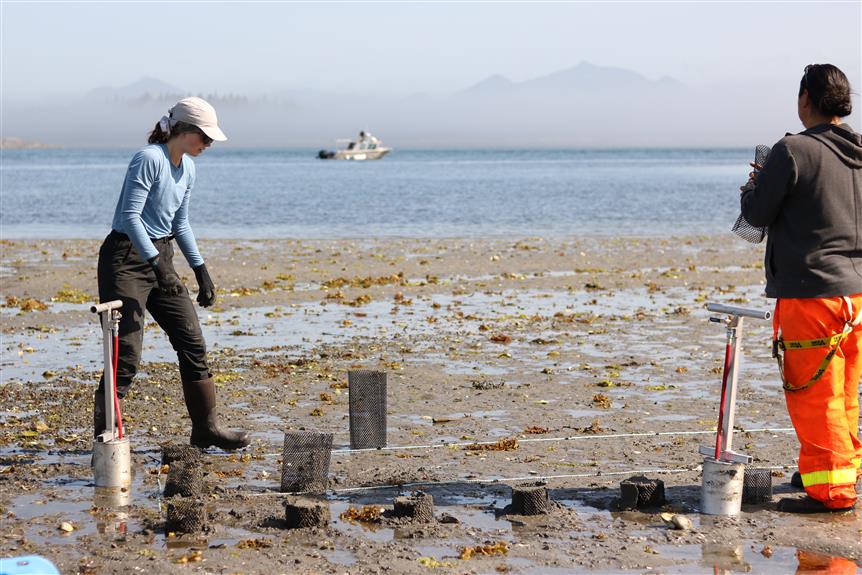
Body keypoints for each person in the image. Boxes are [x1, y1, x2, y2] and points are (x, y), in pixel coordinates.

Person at [94, 97, 250, 451]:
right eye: (204, 136)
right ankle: (106, 440)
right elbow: (131, 217)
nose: (208, 144)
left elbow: (180, 223)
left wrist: (201, 270)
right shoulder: (149, 159)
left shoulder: (189, 169)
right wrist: (156, 265)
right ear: (183, 130)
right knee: (125, 354)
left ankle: (205, 429)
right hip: (126, 258)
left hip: (159, 255)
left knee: (192, 342)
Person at [740, 63, 861, 513]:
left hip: (812, 294)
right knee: (845, 390)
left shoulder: (791, 151)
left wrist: (753, 184)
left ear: (805, 99)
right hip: (857, 295)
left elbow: (755, 216)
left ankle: (832, 491)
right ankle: (838, 468)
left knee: (815, 396)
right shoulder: (859, 149)